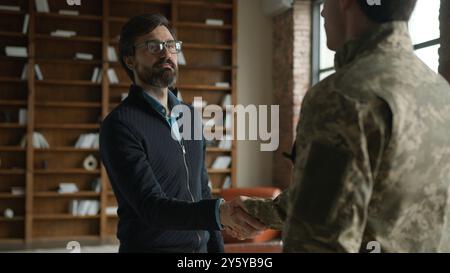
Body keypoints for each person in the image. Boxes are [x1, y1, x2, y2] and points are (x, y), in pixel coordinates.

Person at [232, 0, 450, 252]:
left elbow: (317, 240)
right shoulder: (440, 92)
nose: (322, 11)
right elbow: (352, 195)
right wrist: (255, 210)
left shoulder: (343, 95)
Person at [100, 14, 264, 253]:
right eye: (153, 46)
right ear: (130, 60)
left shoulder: (189, 115)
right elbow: (151, 207)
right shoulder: (119, 125)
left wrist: (217, 251)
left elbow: (202, 190)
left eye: (171, 46)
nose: (166, 54)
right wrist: (219, 213)